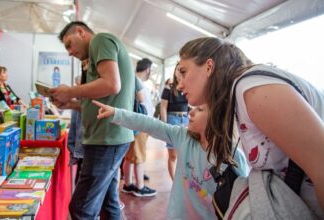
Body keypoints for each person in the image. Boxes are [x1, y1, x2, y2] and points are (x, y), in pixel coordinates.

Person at [177, 37, 324, 217]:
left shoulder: (253, 91)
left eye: (183, 72)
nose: (179, 84)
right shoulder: (240, 95)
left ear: (208, 66)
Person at [92, 100, 249, 219]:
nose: (190, 113)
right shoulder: (184, 137)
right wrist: (117, 114)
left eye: (199, 110)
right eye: (193, 108)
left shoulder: (234, 158)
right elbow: (151, 124)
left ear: (218, 118)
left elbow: (243, 202)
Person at [51, 21, 134, 219]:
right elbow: (99, 102)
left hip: (106, 138)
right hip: (108, 136)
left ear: (81, 32)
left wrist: (70, 91)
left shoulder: (100, 40)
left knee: (81, 208)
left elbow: (112, 84)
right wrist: (71, 103)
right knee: (108, 202)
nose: (70, 52)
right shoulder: (93, 55)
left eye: (69, 44)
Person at [121, 60, 156, 197]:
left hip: (133, 123)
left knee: (130, 156)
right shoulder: (136, 81)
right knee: (139, 156)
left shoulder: (131, 79)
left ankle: (128, 184)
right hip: (140, 123)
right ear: (148, 69)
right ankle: (139, 186)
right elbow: (142, 100)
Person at [160, 63, 189, 180]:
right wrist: (164, 126)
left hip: (186, 120)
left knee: (185, 154)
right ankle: (174, 182)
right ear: (175, 71)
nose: (180, 72)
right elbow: (163, 107)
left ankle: (184, 182)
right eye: (178, 69)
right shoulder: (169, 87)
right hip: (172, 119)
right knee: (173, 155)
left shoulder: (188, 85)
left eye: (183, 70)